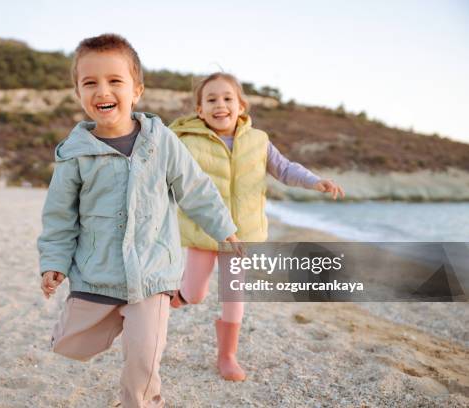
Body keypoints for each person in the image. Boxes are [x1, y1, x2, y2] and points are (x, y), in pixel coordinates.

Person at [38, 36, 240, 407]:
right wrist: (53, 262)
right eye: (90, 82)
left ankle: (140, 401)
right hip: (97, 270)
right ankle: (117, 321)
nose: (103, 90)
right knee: (71, 345)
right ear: (78, 92)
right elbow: (59, 217)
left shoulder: (160, 141)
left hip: (152, 272)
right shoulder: (75, 154)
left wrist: (224, 228)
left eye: (115, 81)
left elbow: (195, 188)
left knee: (144, 357)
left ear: (137, 91)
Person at [169, 72, 345, 382]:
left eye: (227, 99)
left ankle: (227, 356)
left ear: (241, 106)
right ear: (199, 110)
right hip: (203, 232)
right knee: (196, 294)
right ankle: (182, 295)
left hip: (243, 237)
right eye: (211, 100)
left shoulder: (258, 140)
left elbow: (286, 169)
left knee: (233, 296)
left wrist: (315, 182)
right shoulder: (185, 141)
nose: (219, 105)